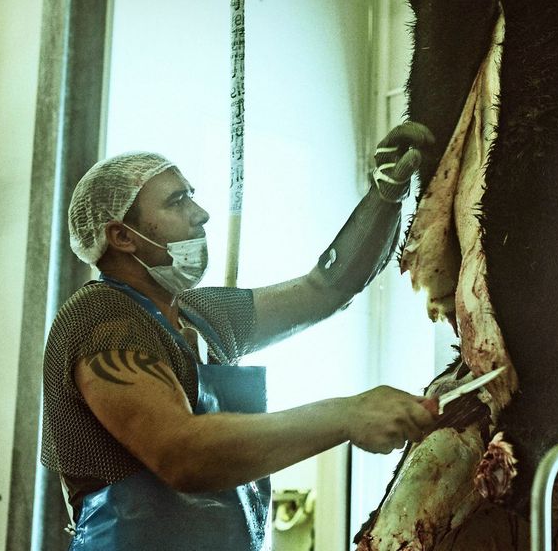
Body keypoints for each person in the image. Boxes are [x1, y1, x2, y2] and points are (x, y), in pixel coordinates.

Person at [40, 123, 438, 550]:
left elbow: (325, 290)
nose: (200, 213)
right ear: (121, 236)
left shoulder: (199, 314)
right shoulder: (104, 320)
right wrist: (346, 415)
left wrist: (384, 196)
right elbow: (182, 455)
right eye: (177, 201)